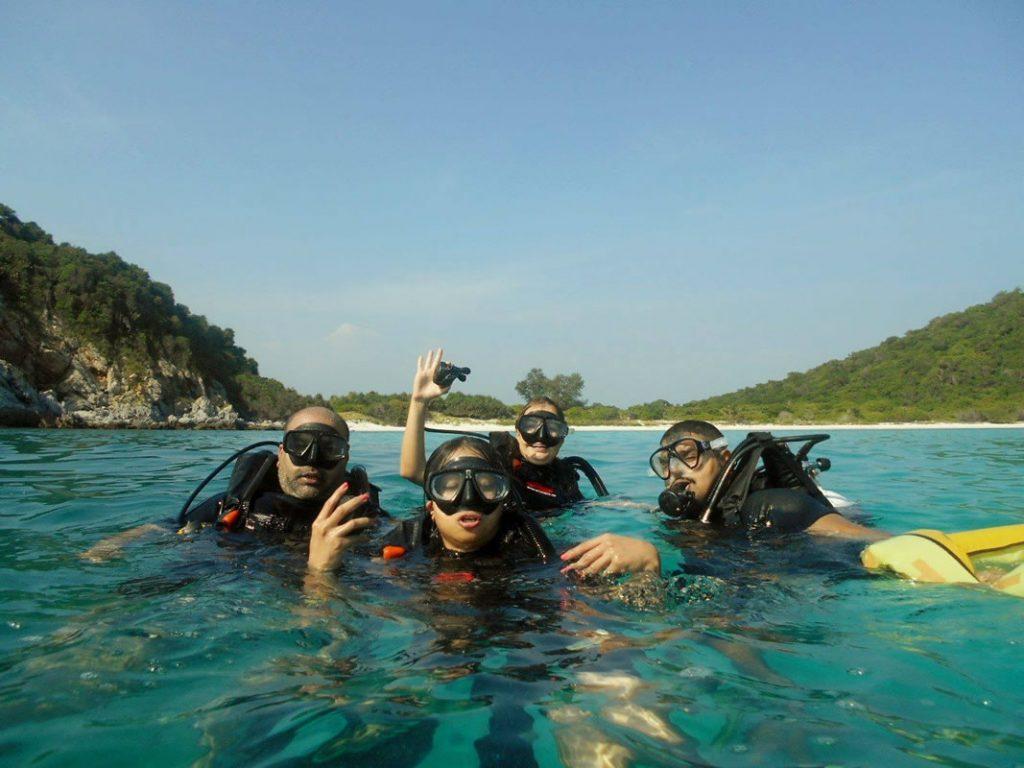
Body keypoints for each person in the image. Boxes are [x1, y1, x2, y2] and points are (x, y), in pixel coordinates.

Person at [399, 349, 601, 515]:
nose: (541, 436)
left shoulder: (564, 479)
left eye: (553, 429)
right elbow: (414, 473)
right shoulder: (494, 464)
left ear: (563, 438)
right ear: (518, 432)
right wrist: (419, 402)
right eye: (531, 425)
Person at [649, 419, 887, 540]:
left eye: (689, 457)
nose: (676, 471)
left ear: (724, 458)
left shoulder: (772, 506)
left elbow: (868, 538)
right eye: (665, 464)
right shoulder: (693, 514)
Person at [181, 405, 384, 537]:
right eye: (299, 445)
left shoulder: (366, 521)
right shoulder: (232, 508)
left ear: (345, 458)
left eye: (330, 449)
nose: (312, 460)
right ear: (280, 454)